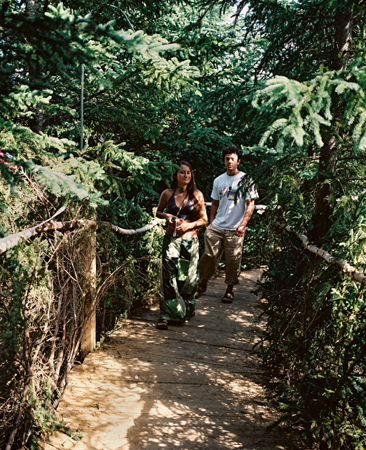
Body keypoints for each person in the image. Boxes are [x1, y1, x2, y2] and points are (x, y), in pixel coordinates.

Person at [195, 146, 258, 303]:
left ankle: (229, 290)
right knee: (209, 256)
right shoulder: (218, 180)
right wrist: (211, 223)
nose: (229, 161)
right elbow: (215, 203)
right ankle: (202, 284)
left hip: (235, 229)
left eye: (232, 159)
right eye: (227, 159)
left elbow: (250, 205)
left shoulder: (246, 180)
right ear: (224, 161)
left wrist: (243, 224)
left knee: (233, 260)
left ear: (238, 161)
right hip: (217, 226)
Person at [155, 161, 207, 330]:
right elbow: (158, 211)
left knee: (188, 280)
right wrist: (168, 217)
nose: (185, 175)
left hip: (190, 242)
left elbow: (204, 219)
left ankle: (185, 309)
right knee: (169, 278)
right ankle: (165, 315)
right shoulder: (167, 193)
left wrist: (188, 226)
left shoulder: (197, 195)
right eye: (182, 172)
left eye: (188, 173)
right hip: (171, 241)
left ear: (191, 176)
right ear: (175, 175)